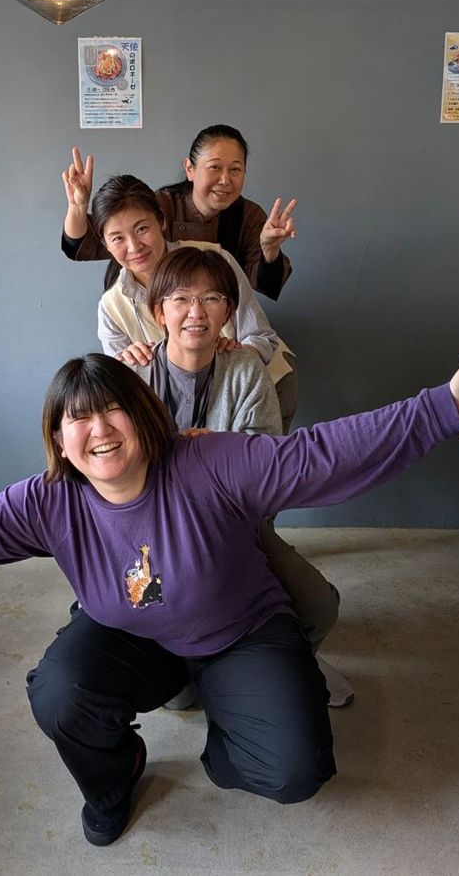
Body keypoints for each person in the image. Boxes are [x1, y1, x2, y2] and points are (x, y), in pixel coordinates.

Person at [0, 345, 459, 848]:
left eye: (112, 409)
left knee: (295, 772)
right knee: (59, 693)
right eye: (77, 418)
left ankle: (229, 729)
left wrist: (445, 406)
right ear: (58, 439)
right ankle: (116, 776)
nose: (97, 429)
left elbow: (322, 455)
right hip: (129, 635)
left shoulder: (210, 461)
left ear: (145, 415)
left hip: (241, 630)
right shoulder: (48, 500)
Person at [133, 246, 340, 682]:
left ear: (228, 311)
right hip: (153, 534)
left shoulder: (245, 368)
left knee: (319, 605)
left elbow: (267, 463)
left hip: (235, 526)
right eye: (181, 299)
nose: (196, 312)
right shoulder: (136, 375)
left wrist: (217, 448)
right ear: (159, 312)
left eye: (211, 298)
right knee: (171, 672)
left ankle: (276, 666)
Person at [81, 172, 298, 431]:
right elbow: (126, 397)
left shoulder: (214, 260)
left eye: (142, 229)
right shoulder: (111, 308)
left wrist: (236, 355)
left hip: (255, 392)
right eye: (117, 238)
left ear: (161, 221)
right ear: (105, 243)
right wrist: (126, 365)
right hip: (185, 420)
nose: (134, 246)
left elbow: (262, 337)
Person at [61, 125, 297, 300]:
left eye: (235, 170)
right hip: (148, 311)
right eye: (215, 167)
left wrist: (270, 250)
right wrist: (78, 207)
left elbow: (267, 285)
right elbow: (83, 245)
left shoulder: (249, 216)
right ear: (190, 169)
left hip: (219, 319)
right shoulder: (161, 205)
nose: (225, 180)